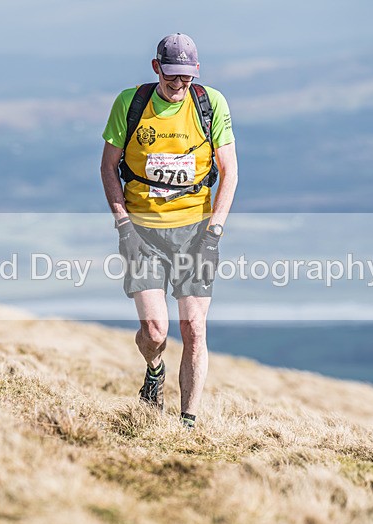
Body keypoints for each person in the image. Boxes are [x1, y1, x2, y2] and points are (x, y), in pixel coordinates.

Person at [100, 33, 239, 428]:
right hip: (142, 230)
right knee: (157, 330)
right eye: (171, 78)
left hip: (196, 230)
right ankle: (155, 367)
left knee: (194, 328)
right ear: (156, 68)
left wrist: (215, 231)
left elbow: (229, 172)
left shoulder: (210, 104)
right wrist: (122, 223)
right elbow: (108, 167)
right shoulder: (131, 104)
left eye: (187, 79)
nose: (179, 87)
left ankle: (187, 423)